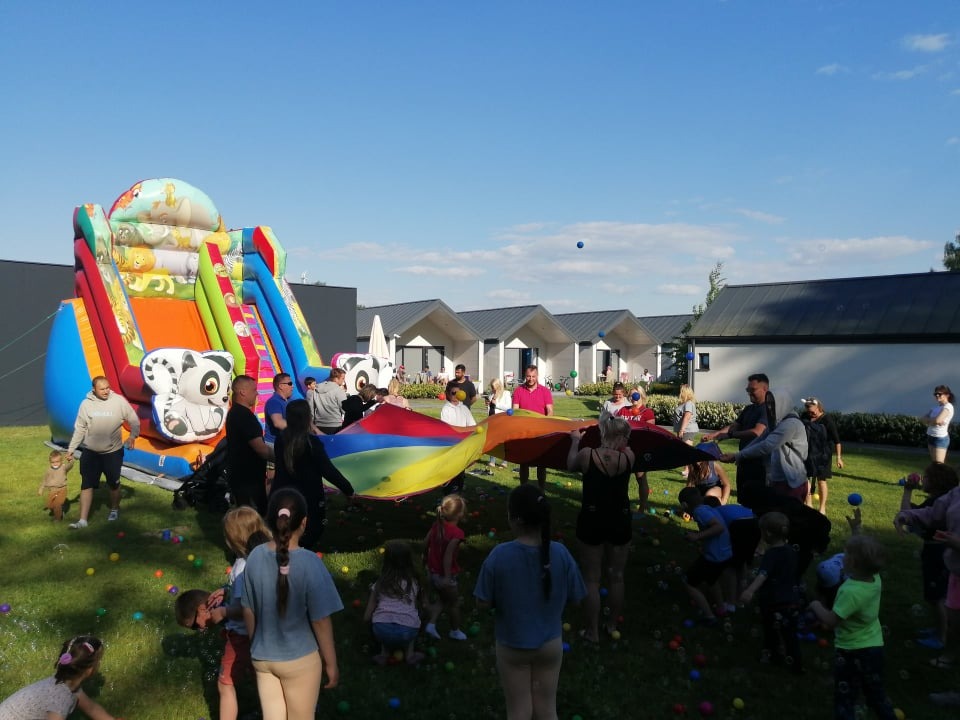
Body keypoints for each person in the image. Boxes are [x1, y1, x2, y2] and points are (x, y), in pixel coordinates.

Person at [474, 484, 587, 720]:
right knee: (547, 709)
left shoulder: (499, 555)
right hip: (550, 644)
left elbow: (482, 603)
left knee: (519, 711)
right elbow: (578, 598)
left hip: (512, 645)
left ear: (514, 519)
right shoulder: (561, 553)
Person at [240, 488, 343, 720]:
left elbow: (248, 607)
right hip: (299, 660)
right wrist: (331, 663)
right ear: (304, 522)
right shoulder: (311, 563)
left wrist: (256, 644)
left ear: (269, 519)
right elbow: (321, 620)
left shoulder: (254, 556)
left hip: (263, 658)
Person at [175, 507, 270, 720]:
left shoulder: (241, 567)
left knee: (225, 685)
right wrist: (227, 591)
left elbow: (250, 607)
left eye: (227, 536)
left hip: (241, 637)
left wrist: (224, 611)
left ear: (235, 538)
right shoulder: (263, 560)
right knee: (264, 681)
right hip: (264, 636)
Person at [808, 535, 897, 720]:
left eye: (846, 554)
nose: (842, 556)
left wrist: (816, 605)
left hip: (852, 650)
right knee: (876, 693)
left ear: (854, 564)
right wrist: (856, 530)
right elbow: (866, 556)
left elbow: (831, 621)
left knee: (845, 697)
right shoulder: (874, 578)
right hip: (874, 646)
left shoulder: (850, 592)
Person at [566, 417, 635, 642]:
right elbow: (626, 447)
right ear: (622, 437)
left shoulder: (587, 455)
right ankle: (612, 623)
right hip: (620, 518)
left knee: (592, 578)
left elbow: (570, 465)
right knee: (617, 576)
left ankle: (592, 631)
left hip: (592, 517)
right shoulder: (629, 457)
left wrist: (575, 441)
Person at [272, 399, 356, 548]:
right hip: (308, 496)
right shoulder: (311, 443)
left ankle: (290, 550)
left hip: (282, 492)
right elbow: (328, 470)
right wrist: (348, 489)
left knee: (287, 525)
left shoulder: (281, 439)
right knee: (312, 529)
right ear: (307, 418)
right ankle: (301, 553)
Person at [895, 480, 960, 672]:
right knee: (955, 623)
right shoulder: (956, 493)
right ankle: (949, 658)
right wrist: (907, 516)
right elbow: (933, 513)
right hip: (957, 571)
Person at [66, 376, 140, 529]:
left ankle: (114, 509)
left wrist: (132, 436)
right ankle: (83, 521)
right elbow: (80, 428)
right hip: (91, 453)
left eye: (108, 387)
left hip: (112, 452)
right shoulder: (86, 404)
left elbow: (134, 420)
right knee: (86, 484)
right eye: (102, 389)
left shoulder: (118, 401)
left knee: (113, 483)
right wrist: (71, 449)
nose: (106, 391)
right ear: (94, 389)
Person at [719, 390, 809, 503]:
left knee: (786, 517)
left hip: (792, 481)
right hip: (779, 479)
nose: (770, 407)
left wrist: (738, 456)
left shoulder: (790, 424)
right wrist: (740, 456)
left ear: (783, 404)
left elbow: (767, 445)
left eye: (773, 404)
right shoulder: (778, 423)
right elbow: (761, 439)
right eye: (768, 404)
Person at [740, 512, 803, 673]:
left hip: (774, 601)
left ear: (767, 533)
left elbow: (763, 575)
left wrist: (750, 590)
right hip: (792, 599)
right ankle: (796, 663)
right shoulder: (790, 551)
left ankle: (771, 656)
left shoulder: (771, 554)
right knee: (790, 634)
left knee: (771, 631)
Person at [0, 635, 118, 719]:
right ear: (89, 670)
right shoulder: (61, 700)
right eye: (98, 662)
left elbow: (91, 708)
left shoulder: (67, 685)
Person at [702, 373, 770, 507]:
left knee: (757, 501)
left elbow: (757, 432)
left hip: (759, 463)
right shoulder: (749, 409)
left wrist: (731, 435)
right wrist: (716, 434)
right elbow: (734, 426)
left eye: (753, 390)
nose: (749, 393)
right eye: (747, 390)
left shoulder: (767, 409)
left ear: (765, 388)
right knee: (744, 499)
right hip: (743, 460)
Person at [363, 539, 425, 666]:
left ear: (386, 562)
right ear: (409, 561)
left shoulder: (380, 584)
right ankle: (410, 654)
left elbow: (367, 615)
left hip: (381, 629)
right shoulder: (414, 583)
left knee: (385, 623)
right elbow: (423, 605)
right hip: (407, 631)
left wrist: (367, 624)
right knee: (413, 618)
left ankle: (384, 654)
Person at [679, 487, 734, 624]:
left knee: (689, 582)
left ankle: (709, 616)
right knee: (712, 580)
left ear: (685, 505)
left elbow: (718, 528)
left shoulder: (699, 512)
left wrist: (697, 536)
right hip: (724, 553)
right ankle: (721, 609)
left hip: (715, 557)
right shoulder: (706, 508)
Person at [225, 375, 273, 514]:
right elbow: (261, 449)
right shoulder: (243, 416)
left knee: (246, 516)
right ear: (243, 392)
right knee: (253, 519)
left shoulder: (235, 412)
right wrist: (283, 458)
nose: (257, 393)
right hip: (248, 480)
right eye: (254, 390)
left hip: (242, 476)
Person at [424, 493, 468, 641]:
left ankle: (431, 624)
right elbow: (448, 557)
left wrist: (425, 560)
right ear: (460, 514)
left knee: (443, 600)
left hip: (432, 572)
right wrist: (447, 577)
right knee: (454, 603)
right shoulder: (457, 533)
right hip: (443, 576)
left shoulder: (437, 525)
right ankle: (455, 631)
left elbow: (426, 542)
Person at [512, 365, 554, 489]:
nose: (530, 379)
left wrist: (546, 422)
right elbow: (515, 410)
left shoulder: (545, 391)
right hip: (524, 431)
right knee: (523, 462)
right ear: (525, 376)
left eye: (533, 376)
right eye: (528, 376)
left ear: (537, 376)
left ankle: (542, 489)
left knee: (542, 462)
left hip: (540, 431)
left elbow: (550, 410)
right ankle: (523, 489)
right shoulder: (518, 391)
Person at [802, 397, 843, 515]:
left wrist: (838, 458)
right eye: (807, 410)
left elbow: (837, 441)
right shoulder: (805, 416)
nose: (810, 413)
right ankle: (808, 505)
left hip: (823, 454)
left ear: (818, 407)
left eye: (812, 410)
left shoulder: (827, 420)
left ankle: (822, 508)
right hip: (808, 452)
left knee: (821, 480)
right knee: (805, 478)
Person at [617, 386, 656, 510]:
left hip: (639, 450)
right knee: (621, 479)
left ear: (642, 395)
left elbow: (650, 431)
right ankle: (621, 506)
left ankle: (642, 508)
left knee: (641, 478)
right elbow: (616, 427)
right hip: (623, 449)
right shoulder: (623, 410)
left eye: (636, 394)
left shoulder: (647, 412)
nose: (633, 397)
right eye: (631, 395)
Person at [439, 380, 477, 493]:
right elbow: (446, 427)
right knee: (450, 471)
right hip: (451, 445)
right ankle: (448, 493)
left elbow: (472, 425)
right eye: (453, 393)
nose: (456, 395)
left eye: (458, 392)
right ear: (448, 394)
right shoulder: (446, 409)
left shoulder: (464, 408)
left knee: (460, 470)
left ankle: (458, 491)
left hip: (463, 445)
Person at [922, 385, 954, 463]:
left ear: (947, 395)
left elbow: (937, 420)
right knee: (934, 463)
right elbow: (922, 419)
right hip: (931, 436)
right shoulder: (935, 408)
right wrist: (934, 421)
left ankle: (946, 475)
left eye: (939, 394)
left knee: (939, 465)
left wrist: (931, 421)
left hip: (940, 438)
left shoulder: (948, 407)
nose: (937, 395)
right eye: (935, 394)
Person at [38, 449, 73, 522]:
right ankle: (59, 510)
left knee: (57, 504)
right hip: (52, 490)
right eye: (53, 462)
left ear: (61, 461)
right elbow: (45, 480)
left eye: (57, 462)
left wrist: (70, 461)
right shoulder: (49, 470)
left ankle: (58, 518)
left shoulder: (63, 468)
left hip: (62, 489)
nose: (55, 464)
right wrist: (41, 489)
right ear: (50, 462)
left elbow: (69, 466)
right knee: (50, 505)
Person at [486, 378, 512, 469]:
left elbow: (508, 407)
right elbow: (490, 408)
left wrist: (496, 403)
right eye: (492, 387)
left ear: (498, 386)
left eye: (494, 387)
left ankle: (504, 462)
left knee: (503, 441)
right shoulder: (491, 395)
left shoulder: (506, 394)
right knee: (492, 441)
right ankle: (492, 461)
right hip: (492, 419)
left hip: (502, 420)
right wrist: (488, 407)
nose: (492, 389)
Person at [311, 369, 348, 434]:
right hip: (335, 426)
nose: (343, 381)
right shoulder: (339, 391)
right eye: (342, 378)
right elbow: (345, 409)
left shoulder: (316, 389)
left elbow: (312, 409)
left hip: (318, 425)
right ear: (336, 379)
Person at [264, 373, 294, 445]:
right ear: (281, 386)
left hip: (285, 442)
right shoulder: (274, 402)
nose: (292, 386)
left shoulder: (288, 401)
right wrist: (299, 429)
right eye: (290, 383)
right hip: (274, 444)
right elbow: (278, 422)